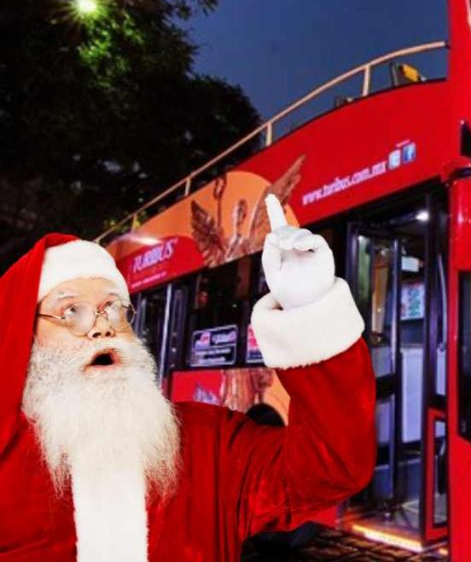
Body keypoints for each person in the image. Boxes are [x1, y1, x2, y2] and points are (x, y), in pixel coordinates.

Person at [0, 195, 375, 561]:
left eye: (114, 309)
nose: (103, 328)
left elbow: (331, 470)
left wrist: (310, 307)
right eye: (71, 311)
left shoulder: (207, 442)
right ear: (23, 337)